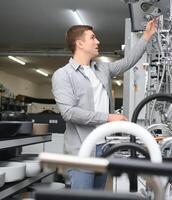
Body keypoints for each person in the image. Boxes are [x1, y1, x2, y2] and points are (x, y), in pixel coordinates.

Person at [52, 19, 157, 189]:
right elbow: (69, 113)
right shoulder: (63, 75)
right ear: (79, 43)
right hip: (81, 151)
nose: (98, 41)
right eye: (92, 38)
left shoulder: (102, 69)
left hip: (104, 148)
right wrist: (108, 118)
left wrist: (146, 35)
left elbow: (128, 61)